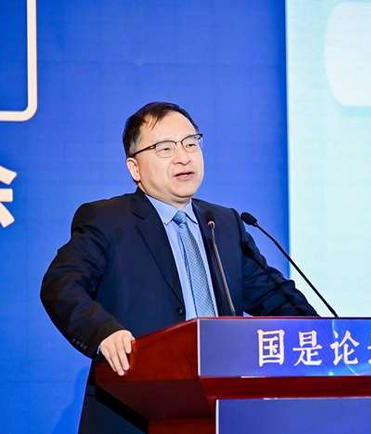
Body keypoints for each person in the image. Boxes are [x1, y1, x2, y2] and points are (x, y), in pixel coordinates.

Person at [40, 101, 318, 434]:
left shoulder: (225, 223)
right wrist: (104, 332)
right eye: (165, 148)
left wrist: (324, 338)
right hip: (136, 413)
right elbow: (61, 285)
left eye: (191, 143)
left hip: (222, 413)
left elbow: (275, 298)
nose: (183, 157)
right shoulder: (108, 220)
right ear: (135, 168)